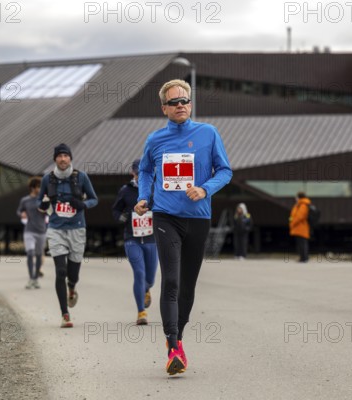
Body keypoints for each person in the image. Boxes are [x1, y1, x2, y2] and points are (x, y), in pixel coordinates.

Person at [134, 79, 233, 375]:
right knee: (172, 281)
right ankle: (173, 345)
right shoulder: (155, 140)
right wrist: (142, 197)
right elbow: (146, 170)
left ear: (190, 104)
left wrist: (205, 189)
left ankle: (177, 339)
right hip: (165, 217)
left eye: (185, 100)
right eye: (174, 102)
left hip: (198, 218)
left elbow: (225, 170)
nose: (181, 105)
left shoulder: (208, 133)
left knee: (188, 286)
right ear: (164, 108)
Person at [38, 143, 98, 328]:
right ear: (55, 159)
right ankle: (65, 313)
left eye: (66, 156)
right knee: (60, 271)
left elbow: (94, 199)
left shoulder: (81, 177)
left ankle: (72, 287)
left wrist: (83, 205)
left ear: (70, 158)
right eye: (59, 156)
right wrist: (45, 203)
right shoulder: (47, 180)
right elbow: (40, 203)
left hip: (77, 229)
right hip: (56, 229)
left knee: (73, 274)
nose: (63, 159)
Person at [112, 159, 158, 325]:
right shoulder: (125, 190)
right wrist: (122, 216)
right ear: (133, 173)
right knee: (139, 273)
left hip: (152, 239)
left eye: (146, 173)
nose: (142, 176)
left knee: (150, 279)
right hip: (132, 238)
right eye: (139, 173)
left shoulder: (155, 188)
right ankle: (141, 312)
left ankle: (146, 289)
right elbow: (116, 209)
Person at [17, 176, 47, 289]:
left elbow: (50, 211)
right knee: (30, 254)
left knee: (39, 255)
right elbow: (19, 210)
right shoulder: (25, 200)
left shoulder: (43, 199)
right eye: (39, 186)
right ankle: (30, 279)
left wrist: (46, 209)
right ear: (32, 187)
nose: (40, 188)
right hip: (29, 231)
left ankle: (35, 279)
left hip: (42, 231)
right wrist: (21, 214)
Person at [289, 191, 311, 263]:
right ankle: (303, 257)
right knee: (301, 243)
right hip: (299, 227)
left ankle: (304, 258)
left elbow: (300, 216)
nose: (295, 198)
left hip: (301, 227)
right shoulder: (299, 204)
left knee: (302, 243)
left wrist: (292, 223)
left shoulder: (303, 205)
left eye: (296, 197)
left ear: (299, 197)